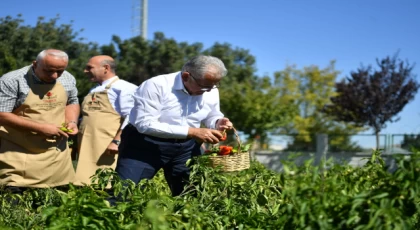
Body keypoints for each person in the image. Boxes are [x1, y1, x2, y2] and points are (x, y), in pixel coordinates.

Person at [113, 55, 233, 199]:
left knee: (191, 195)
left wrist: (218, 121)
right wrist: (192, 131)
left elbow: (211, 114)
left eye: (213, 86)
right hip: (145, 145)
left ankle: (183, 220)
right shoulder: (156, 85)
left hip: (185, 148)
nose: (208, 90)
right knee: (123, 193)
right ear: (186, 76)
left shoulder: (210, 89)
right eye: (203, 86)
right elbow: (144, 124)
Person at [0, 49, 80, 190]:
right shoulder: (12, 80)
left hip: (55, 155)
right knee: (16, 204)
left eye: (60, 71)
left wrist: (72, 121)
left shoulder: (67, 78)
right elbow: (2, 114)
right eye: (49, 71)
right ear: (35, 64)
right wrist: (40, 128)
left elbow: (72, 102)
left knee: (57, 205)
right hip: (19, 151)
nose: (55, 76)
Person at [74, 55, 137, 186]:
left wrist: (117, 141)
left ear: (106, 68)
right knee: (86, 184)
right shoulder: (95, 89)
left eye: (89, 67)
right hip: (87, 145)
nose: (85, 71)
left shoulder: (124, 88)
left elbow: (132, 117)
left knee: (104, 184)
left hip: (107, 147)